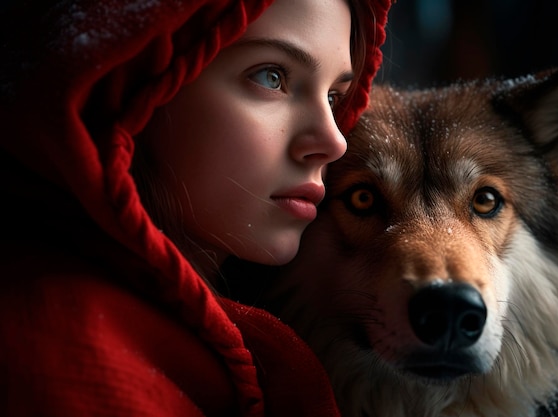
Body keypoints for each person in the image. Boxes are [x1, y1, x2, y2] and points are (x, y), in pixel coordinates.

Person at [0, 0, 391, 416]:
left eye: (334, 98)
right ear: (137, 83)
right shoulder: (61, 361)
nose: (335, 141)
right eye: (272, 77)